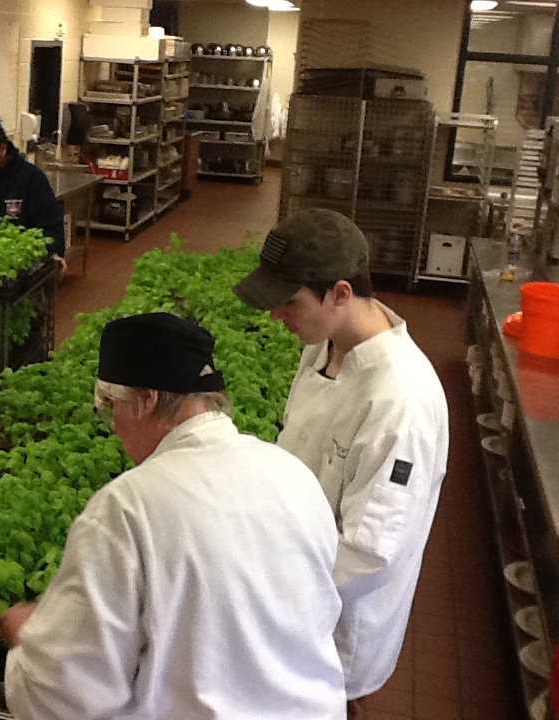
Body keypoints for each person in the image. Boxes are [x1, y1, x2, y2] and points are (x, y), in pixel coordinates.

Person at [1, 312, 347, 720]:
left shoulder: (129, 508)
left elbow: (67, 695)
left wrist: (32, 642)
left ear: (145, 399)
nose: (112, 426)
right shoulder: (293, 475)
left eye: (110, 405)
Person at [233, 208, 450, 720]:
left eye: (288, 302)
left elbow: (369, 553)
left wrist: (262, 591)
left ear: (342, 292)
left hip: (332, 619)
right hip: (289, 582)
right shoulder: (325, 347)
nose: (275, 316)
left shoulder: (400, 402)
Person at [0, 115, 67, 274]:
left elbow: (51, 227)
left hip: (25, 269)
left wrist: (54, 254)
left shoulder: (32, 179)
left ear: (2, 150)